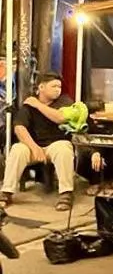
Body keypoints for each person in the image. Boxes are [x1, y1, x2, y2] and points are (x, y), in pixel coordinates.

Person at [0, 72, 77, 211]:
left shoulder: (64, 101)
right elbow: (19, 127)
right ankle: (6, 193)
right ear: (41, 87)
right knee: (17, 149)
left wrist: (38, 105)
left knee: (64, 149)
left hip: (56, 144)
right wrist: (34, 148)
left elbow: (60, 118)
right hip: (33, 146)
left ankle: (66, 193)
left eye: (59, 87)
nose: (57, 89)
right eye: (53, 86)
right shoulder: (29, 104)